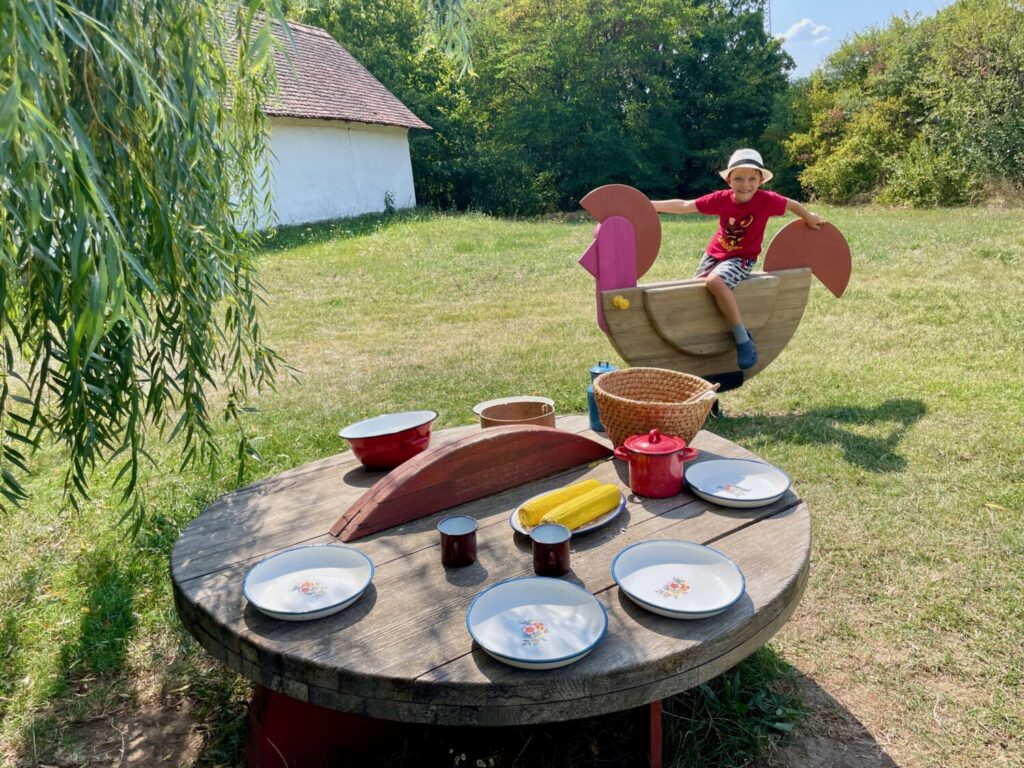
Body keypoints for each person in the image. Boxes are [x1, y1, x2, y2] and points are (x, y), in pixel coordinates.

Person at [651, 148, 826, 370]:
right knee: (695, 292)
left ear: (761, 180)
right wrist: (651, 205)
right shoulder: (721, 199)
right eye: (739, 179)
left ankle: (743, 338)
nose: (746, 184)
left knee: (715, 282)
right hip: (714, 254)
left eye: (752, 178)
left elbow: (791, 203)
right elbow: (686, 205)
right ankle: (703, 337)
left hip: (742, 259)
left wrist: (809, 217)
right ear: (729, 181)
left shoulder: (766, 200)